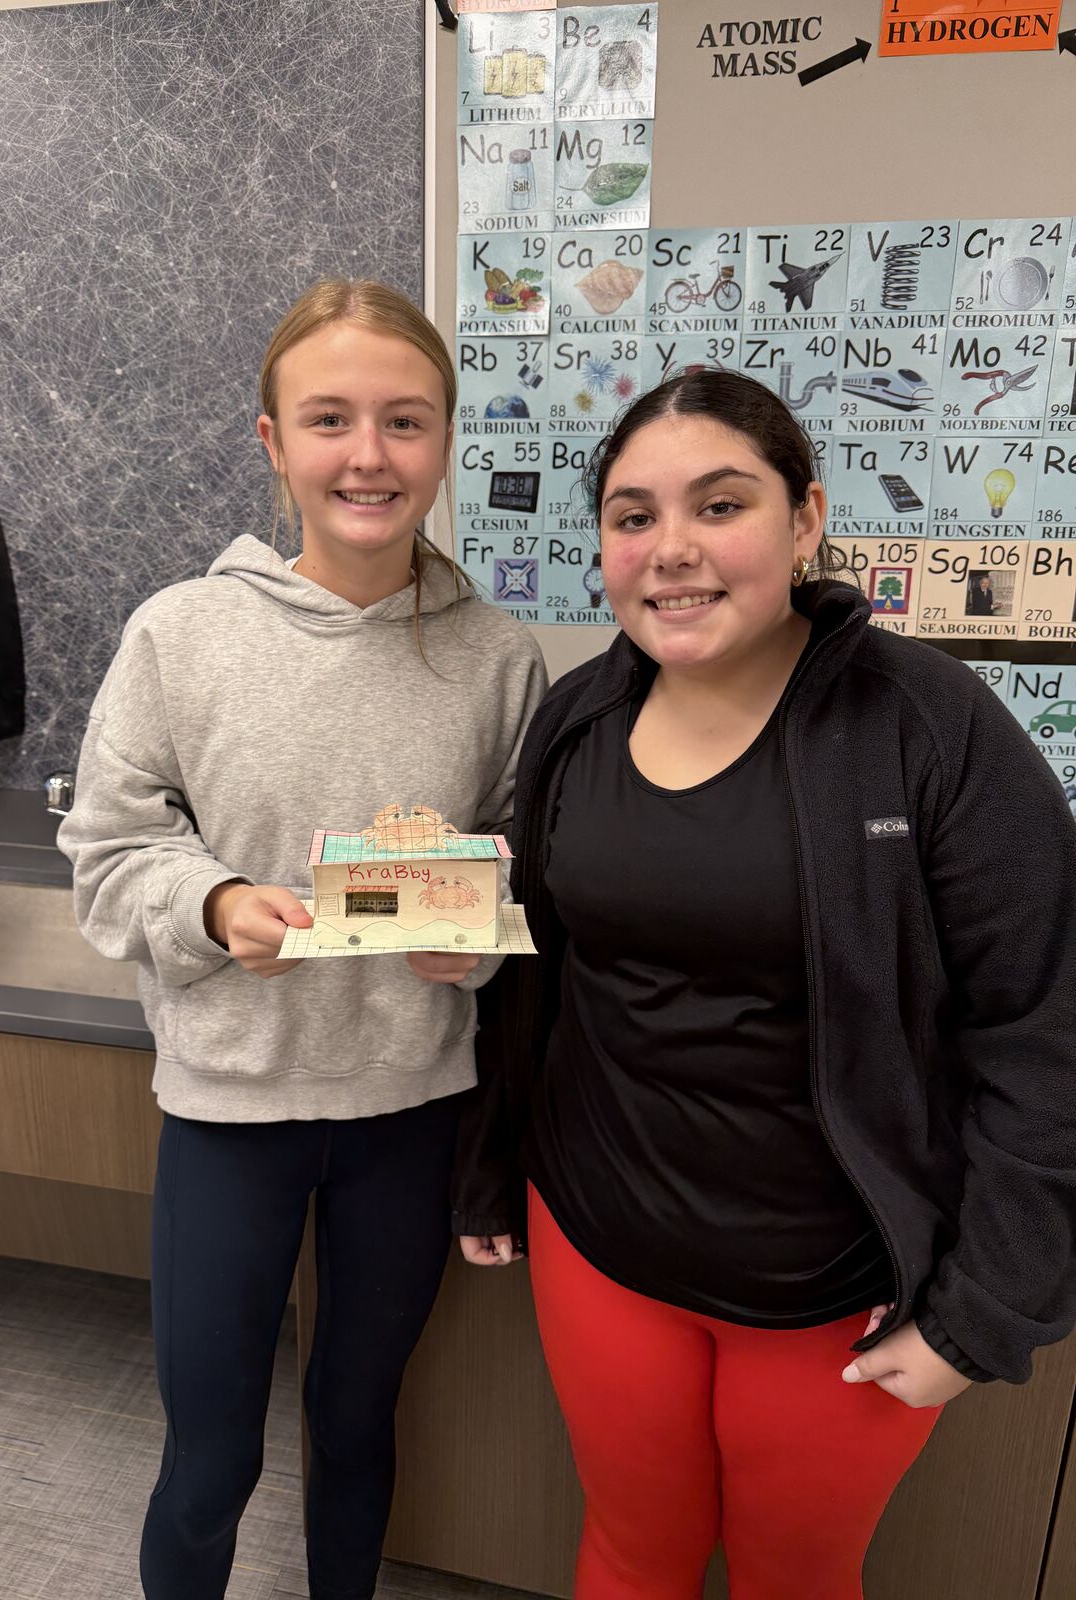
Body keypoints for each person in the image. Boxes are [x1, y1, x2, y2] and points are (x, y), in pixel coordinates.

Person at [452, 368, 1076, 1600]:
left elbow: (1046, 1032)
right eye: (633, 516)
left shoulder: (928, 729)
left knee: (797, 1574)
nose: (671, 548)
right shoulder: (577, 718)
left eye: (721, 505)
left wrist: (982, 1313)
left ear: (805, 521)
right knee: (631, 1549)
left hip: (833, 1289)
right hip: (600, 1239)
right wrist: (490, 1162)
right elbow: (534, 974)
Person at [58, 278, 546, 1600]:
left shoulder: (499, 657)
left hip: (411, 1110)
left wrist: (478, 935)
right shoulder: (180, 635)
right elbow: (109, 847)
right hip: (231, 1110)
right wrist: (215, 905)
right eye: (330, 419)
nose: (368, 454)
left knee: (358, 1423)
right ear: (274, 442)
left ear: (444, 441)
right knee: (210, 1454)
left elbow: (526, 861)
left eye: (405, 420)